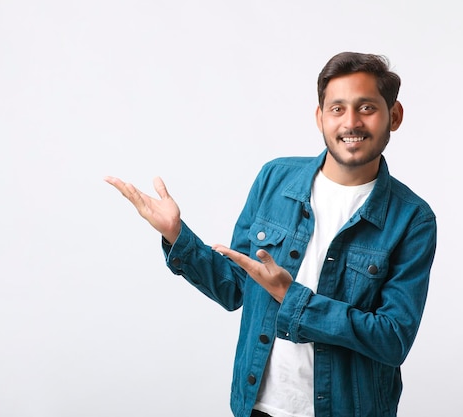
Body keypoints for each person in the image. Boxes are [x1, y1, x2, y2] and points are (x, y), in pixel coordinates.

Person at [104, 51, 437, 417]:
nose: (351, 122)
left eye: (367, 108)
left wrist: (290, 297)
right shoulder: (274, 179)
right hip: (257, 406)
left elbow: (392, 339)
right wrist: (177, 235)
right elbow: (234, 286)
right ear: (320, 117)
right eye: (337, 109)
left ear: (394, 116)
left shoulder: (411, 219)